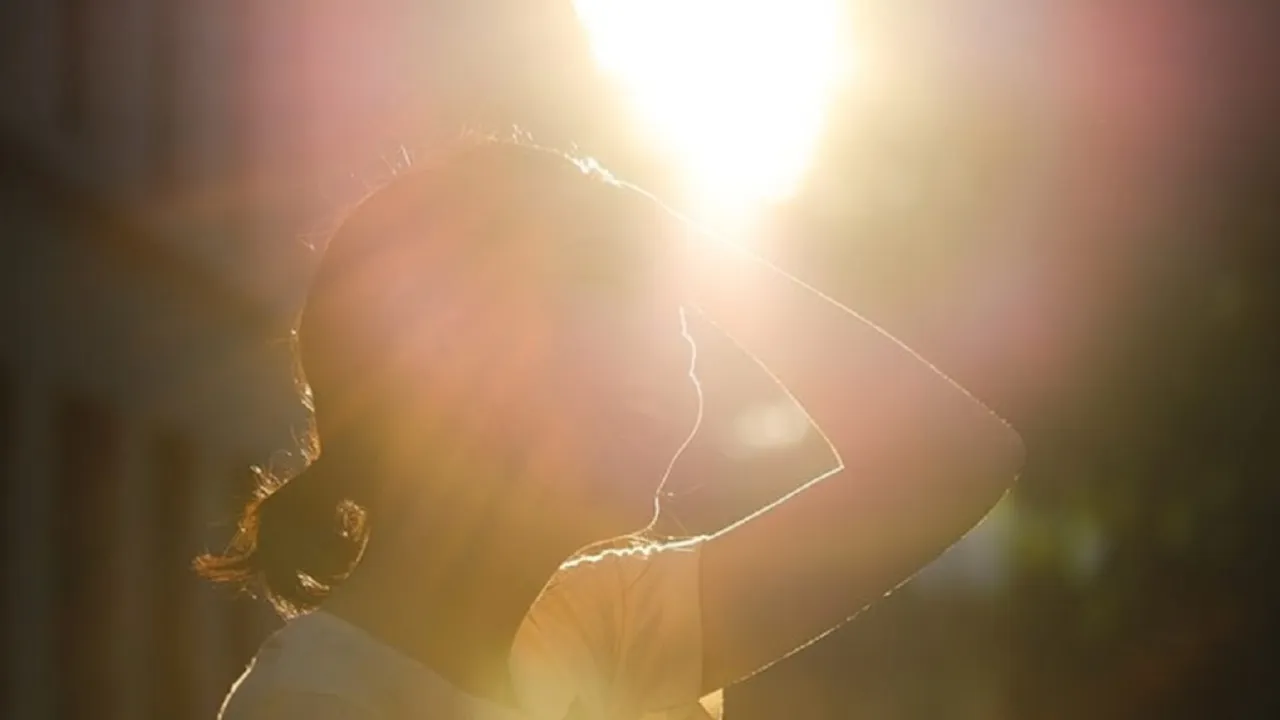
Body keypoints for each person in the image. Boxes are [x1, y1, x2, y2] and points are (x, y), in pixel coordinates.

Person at [197, 141, 1024, 720]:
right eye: (612, 312)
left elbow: (956, 460)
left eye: (678, 323)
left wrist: (679, 237)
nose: (674, 371)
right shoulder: (322, 703)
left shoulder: (596, 628)